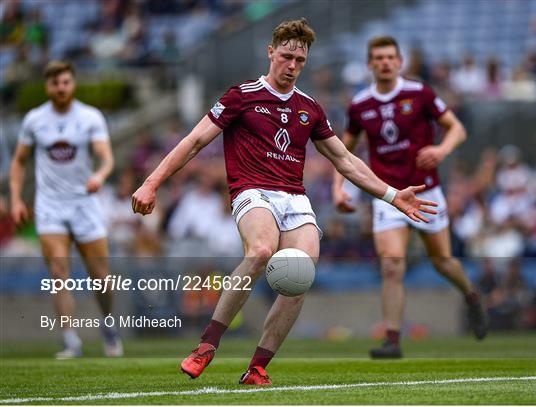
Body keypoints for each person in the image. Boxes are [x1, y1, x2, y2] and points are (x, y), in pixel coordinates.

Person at [132, 20, 437, 385]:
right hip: (252, 190)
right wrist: (151, 183)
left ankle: (258, 367)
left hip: (294, 198)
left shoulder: (309, 108)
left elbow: (345, 160)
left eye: (300, 60)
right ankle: (207, 346)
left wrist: (391, 195)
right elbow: (195, 141)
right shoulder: (241, 96)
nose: (292, 66)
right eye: (287, 56)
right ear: (271, 52)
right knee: (261, 251)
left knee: (300, 274)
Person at [332, 36, 489, 359]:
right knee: (392, 265)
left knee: (443, 262)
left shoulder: (420, 93)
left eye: (390, 57)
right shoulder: (360, 104)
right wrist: (338, 187)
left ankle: (471, 296)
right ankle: (392, 339)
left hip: (425, 191)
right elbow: (341, 151)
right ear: (370, 64)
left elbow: (456, 128)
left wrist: (441, 149)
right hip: (388, 195)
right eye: (378, 57)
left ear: (400, 61)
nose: (385, 62)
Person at [10, 61, 122, 359]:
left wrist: (99, 175)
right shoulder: (35, 120)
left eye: (65, 82)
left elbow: (106, 157)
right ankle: (71, 339)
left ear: (72, 84)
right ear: (47, 87)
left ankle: (108, 326)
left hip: (84, 203)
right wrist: (16, 199)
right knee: (59, 273)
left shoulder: (89, 117)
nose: (60, 88)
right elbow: (19, 161)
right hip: (50, 205)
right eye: (55, 83)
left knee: (101, 277)